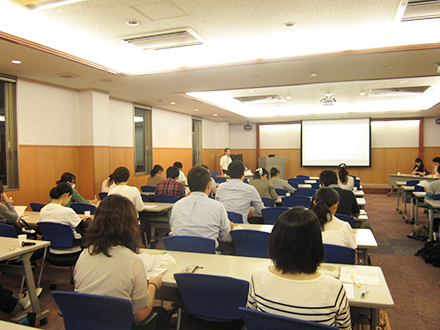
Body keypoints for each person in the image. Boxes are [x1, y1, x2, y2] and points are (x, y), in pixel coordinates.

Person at [74, 195, 170, 330]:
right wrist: (153, 284)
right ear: (131, 224)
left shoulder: (85, 254)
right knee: (162, 314)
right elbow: (140, 314)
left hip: (87, 322)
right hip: (118, 325)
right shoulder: (133, 261)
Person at [247, 207, 351, 330]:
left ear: (275, 241)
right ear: (316, 244)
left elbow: (253, 321)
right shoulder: (334, 288)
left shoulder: (258, 277)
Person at [170, 166, 233, 250]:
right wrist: (230, 228)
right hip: (208, 257)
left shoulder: (177, 205)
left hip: (180, 255)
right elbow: (225, 238)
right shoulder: (218, 206)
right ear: (209, 185)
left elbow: (174, 230)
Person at [107, 167, 157, 247]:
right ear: (128, 177)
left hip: (116, 223)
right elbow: (140, 208)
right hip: (132, 223)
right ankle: (148, 245)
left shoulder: (111, 191)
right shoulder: (133, 190)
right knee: (146, 224)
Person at [40, 182, 90, 253]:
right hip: (71, 249)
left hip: (51, 248)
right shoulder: (67, 211)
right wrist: (88, 219)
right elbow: (84, 225)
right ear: (66, 195)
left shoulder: (43, 210)